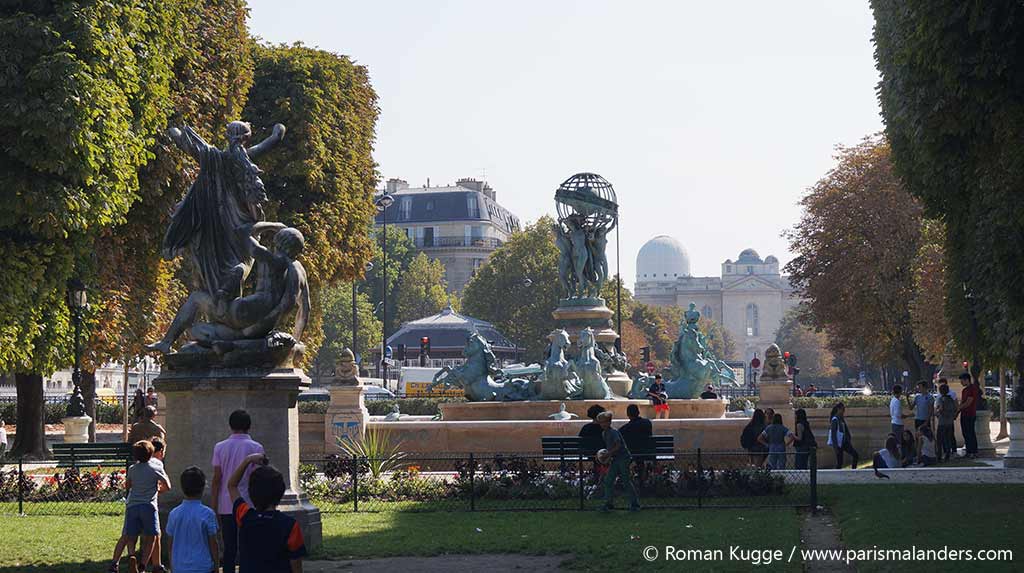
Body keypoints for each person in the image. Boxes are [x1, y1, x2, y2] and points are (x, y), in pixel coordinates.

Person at [228, 453, 307, 572]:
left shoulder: (245, 516)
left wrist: (248, 460)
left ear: (251, 493)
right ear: (280, 493)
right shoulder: (290, 525)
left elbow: (232, 485)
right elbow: (296, 564)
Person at [211, 410, 265, 573]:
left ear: (230, 425)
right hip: (249, 503)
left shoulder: (220, 447)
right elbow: (258, 478)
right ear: (249, 426)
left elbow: (217, 479)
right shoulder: (256, 447)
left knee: (229, 547)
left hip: (226, 503)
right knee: (248, 546)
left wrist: (214, 505)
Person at [109, 440, 171, 573]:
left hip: (132, 506)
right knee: (152, 536)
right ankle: (143, 565)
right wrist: (158, 490)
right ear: (151, 453)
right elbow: (168, 485)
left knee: (127, 535)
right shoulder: (155, 468)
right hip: (149, 506)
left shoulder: (132, 469)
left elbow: (128, 485)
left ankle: (115, 563)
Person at [166, 466, 219, 573]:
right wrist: (216, 566)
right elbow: (213, 543)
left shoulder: (174, 513)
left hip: (179, 567)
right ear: (203, 487)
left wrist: (173, 565)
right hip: (203, 566)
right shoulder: (208, 513)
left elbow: (170, 544)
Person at [595, 411, 640, 511]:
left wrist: (608, 454)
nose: (602, 424)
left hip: (623, 458)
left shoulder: (613, 432)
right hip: (615, 459)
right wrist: (603, 456)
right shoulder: (604, 433)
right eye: (600, 422)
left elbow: (618, 445)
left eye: (604, 422)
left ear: (609, 422)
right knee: (608, 480)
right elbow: (609, 448)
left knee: (626, 480)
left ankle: (634, 504)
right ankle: (608, 503)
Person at [828, 403, 859, 469]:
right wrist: (835, 447)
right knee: (840, 462)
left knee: (855, 455)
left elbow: (845, 430)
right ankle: (837, 474)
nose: (844, 411)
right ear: (838, 409)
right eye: (842, 409)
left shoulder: (841, 419)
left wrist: (848, 438)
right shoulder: (835, 420)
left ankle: (853, 470)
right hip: (839, 444)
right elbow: (833, 435)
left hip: (844, 442)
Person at [958, 372, 980, 458]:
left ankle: (974, 452)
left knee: (971, 433)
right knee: (965, 433)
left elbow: (968, 402)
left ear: (967, 380)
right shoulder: (964, 390)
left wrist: (959, 408)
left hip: (970, 414)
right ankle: (968, 451)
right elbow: (963, 403)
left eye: (962, 381)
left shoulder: (972, 389)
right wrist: (958, 411)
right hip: (964, 414)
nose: (961, 383)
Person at [935, 383, 958, 462]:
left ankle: (939, 456)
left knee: (940, 440)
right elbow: (955, 409)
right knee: (948, 439)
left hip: (942, 422)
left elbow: (940, 409)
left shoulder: (941, 399)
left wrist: (937, 412)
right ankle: (948, 454)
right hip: (950, 422)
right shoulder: (951, 399)